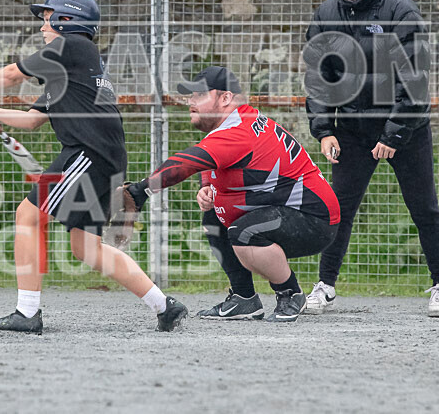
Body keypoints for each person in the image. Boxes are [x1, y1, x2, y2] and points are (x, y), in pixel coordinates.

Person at [0, 0, 187, 334]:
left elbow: (11, 74)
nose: (42, 26)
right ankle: (164, 306)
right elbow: (33, 119)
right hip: (103, 157)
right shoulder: (71, 68)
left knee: (28, 215)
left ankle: (27, 313)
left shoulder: (72, 47)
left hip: (87, 153)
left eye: (49, 17)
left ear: (68, 20)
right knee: (85, 247)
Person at [303, 0, 439, 317]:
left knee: (424, 209)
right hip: (352, 129)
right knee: (338, 208)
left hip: (406, 130)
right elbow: (319, 79)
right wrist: (324, 130)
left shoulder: (400, 12)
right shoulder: (326, 14)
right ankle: (325, 285)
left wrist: (393, 133)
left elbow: (415, 84)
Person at [119, 66, 341, 322]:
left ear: (225, 98)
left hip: (316, 219)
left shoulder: (237, 132)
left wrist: (139, 191)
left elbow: (186, 163)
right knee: (214, 218)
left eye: (199, 95)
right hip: (293, 210)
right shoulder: (240, 120)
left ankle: (290, 293)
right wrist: (207, 185)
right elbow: (214, 160)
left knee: (244, 233)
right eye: (189, 96)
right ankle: (245, 299)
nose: (190, 102)